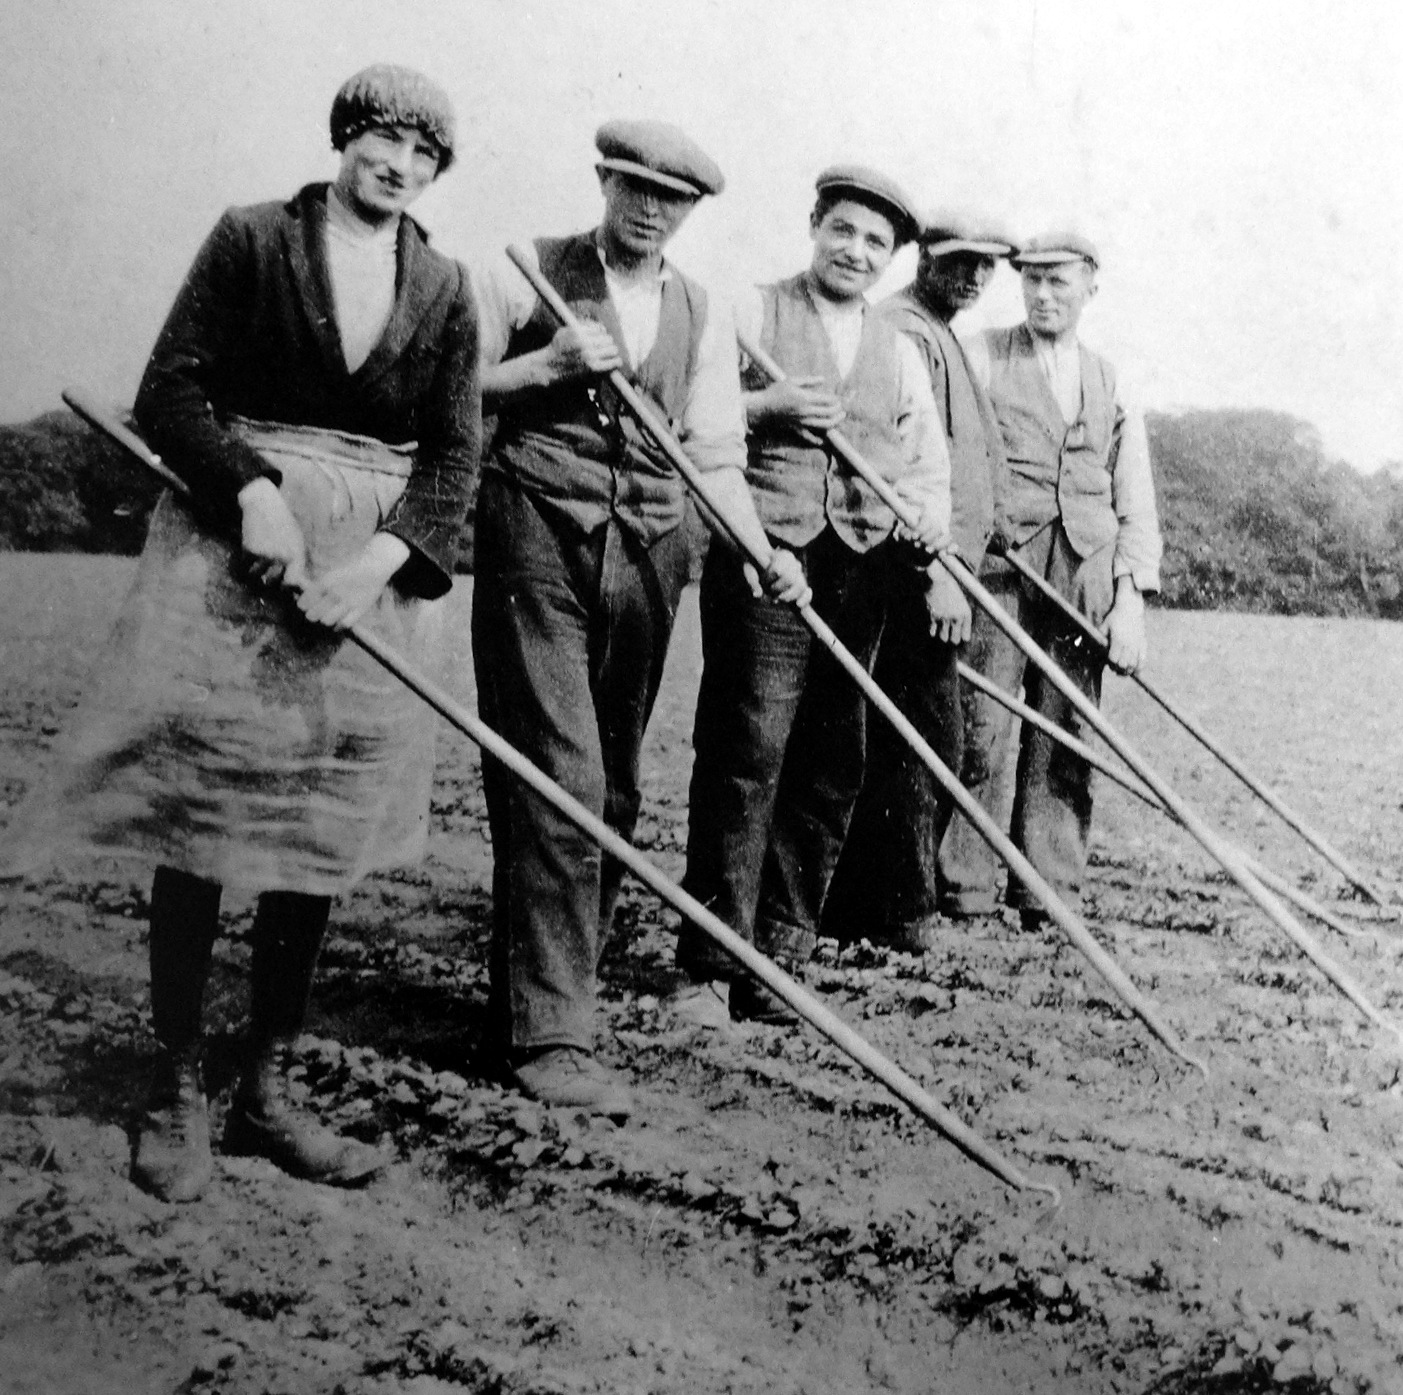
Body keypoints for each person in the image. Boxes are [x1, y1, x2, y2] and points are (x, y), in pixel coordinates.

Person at [9, 65, 480, 1202]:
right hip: (228, 561)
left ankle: (265, 1091)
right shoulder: (252, 238)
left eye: (423, 151)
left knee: (317, 827)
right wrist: (253, 494)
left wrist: (374, 564)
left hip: (362, 583)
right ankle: (175, 1085)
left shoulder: (449, 286)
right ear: (344, 138)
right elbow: (170, 394)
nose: (396, 163)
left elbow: (455, 457)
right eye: (379, 136)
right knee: (203, 806)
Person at [469, 120, 806, 1115]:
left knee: (612, 786)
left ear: (689, 212)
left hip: (653, 549)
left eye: (673, 199)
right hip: (537, 531)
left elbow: (711, 455)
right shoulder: (522, 272)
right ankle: (548, 1032)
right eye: (634, 187)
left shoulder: (697, 311)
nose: (650, 208)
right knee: (556, 777)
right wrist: (539, 373)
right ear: (604, 182)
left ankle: (552, 983)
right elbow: (443, 391)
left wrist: (762, 549)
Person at [674, 166, 958, 1025]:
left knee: (831, 761)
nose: (855, 251)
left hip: (860, 566)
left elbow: (927, 470)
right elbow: (701, 427)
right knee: (747, 749)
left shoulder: (898, 349)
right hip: (767, 554)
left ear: (891, 258)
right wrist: (766, 406)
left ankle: (777, 959)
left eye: (875, 242)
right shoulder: (751, 312)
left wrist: (926, 528)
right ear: (813, 226)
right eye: (842, 231)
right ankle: (706, 969)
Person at [939, 231, 1161, 924]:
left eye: (1057, 281)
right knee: (981, 729)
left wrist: (1129, 600)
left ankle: (1048, 892)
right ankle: (961, 889)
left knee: (1066, 735)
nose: (1041, 294)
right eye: (1030, 281)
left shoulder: (1110, 377)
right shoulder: (980, 355)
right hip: (999, 568)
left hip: (1081, 577)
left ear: (1089, 287)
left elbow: (1134, 495)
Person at [822, 211, 1015, 949]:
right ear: (925, 256)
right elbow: (908, 464)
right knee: (918, 735)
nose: (971, 277)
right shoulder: (902, 326)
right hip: (909, 568)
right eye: (959, 261)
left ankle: (892, 905)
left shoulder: (941, 330)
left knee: (927, 733)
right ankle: (896, 910)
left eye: (984, 267)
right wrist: (937, 572)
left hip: (946, 565)